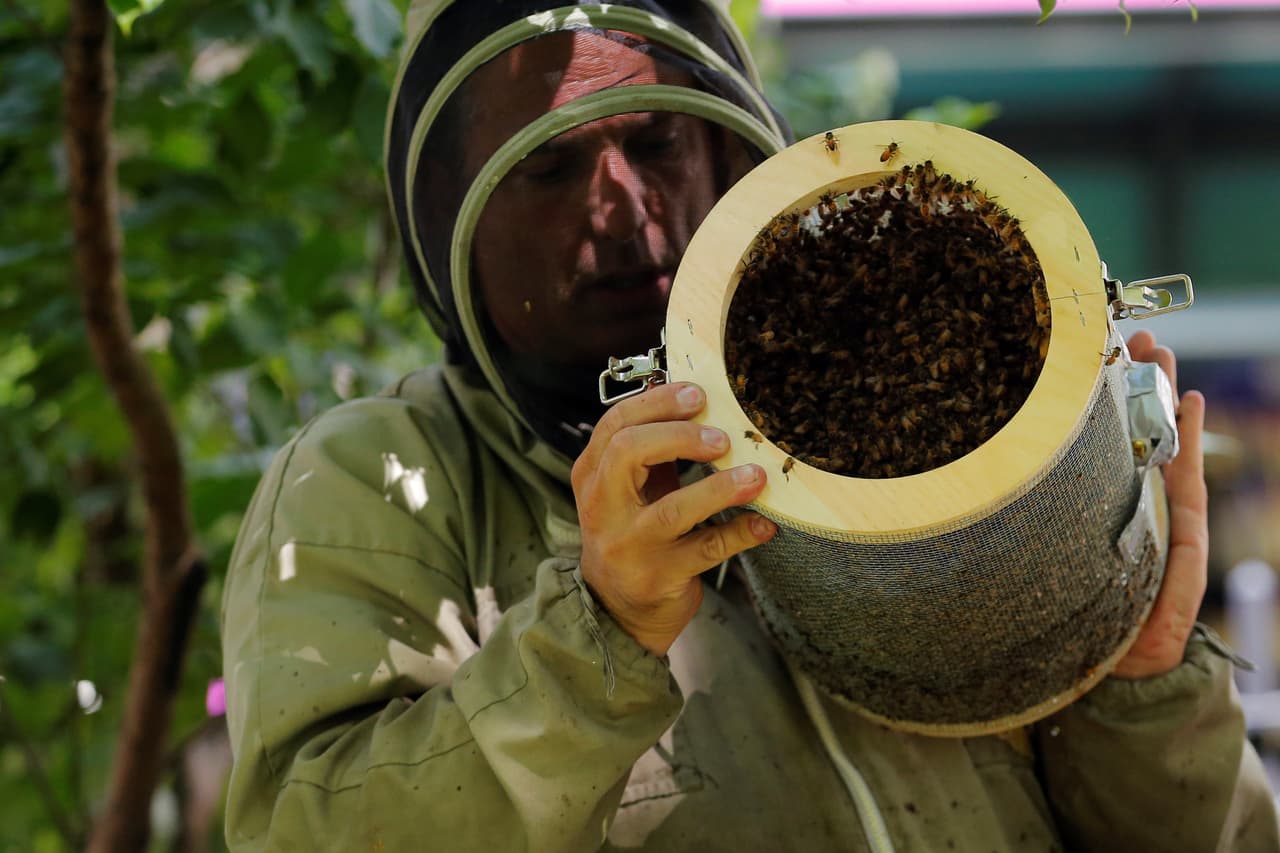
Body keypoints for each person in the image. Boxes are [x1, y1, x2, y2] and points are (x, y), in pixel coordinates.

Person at [220, 2, 1280, 850]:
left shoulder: (922, 429)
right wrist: (594, 638)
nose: (622, 206)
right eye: (548, 168)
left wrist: (1130, 685)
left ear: (729, 155)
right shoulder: (378, 476)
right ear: (450, 220)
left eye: (655, 140)